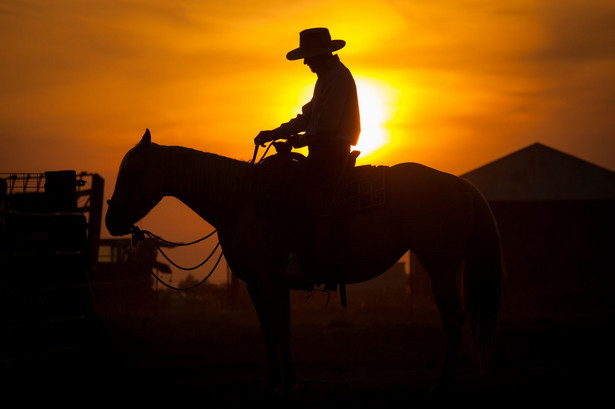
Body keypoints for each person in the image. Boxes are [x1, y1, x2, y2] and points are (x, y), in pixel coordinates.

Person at [254, 27, 361, 183]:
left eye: (308, 56)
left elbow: (327, 126)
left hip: (330, 157)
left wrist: (299, 141)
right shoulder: (327, 78)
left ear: (319, 54)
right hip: (323, 154)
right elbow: (308, 117)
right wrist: (275, 133)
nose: (305, 62)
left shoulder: (337, 78)